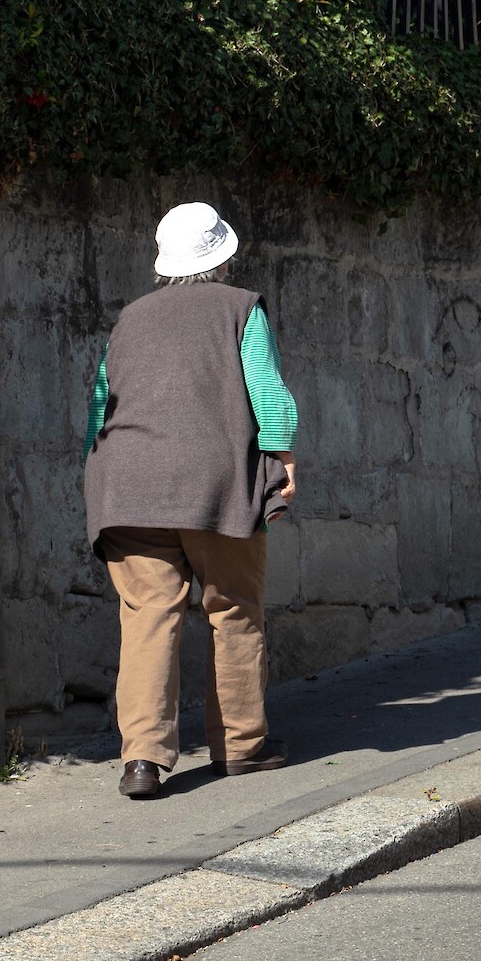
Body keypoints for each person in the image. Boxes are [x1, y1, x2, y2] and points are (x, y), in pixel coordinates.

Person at [82, 201, 298, 799]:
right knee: (233, 607)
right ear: (221, 257)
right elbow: (266, 390)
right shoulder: (240, 308)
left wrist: (100, 475)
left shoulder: (129, 319)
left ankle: (142, 762)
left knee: (147, 616)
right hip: (216, 482)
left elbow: (101, 405)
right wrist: (281, 457)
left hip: (126, 486)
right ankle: (241, 748)